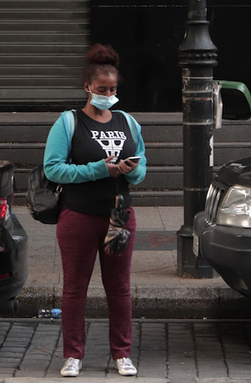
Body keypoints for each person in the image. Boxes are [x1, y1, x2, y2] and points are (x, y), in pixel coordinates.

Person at [43, 44, 147, 378]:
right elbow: (53, 170)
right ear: (87, 87)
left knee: (120, 288)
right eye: (102, 90)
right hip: (79, 216)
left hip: (119, 216)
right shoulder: (69, 122)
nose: (108, 95)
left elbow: (143, 170)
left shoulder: (128, 121)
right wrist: (99, 170)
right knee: (75, 288)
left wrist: (131, 170)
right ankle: (73, 355)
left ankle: (122, 354)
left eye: (113, 90)